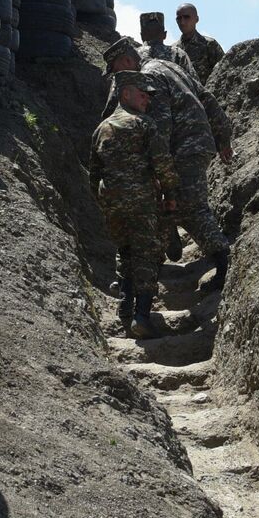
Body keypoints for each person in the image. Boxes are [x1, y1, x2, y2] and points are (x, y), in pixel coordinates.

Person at [101, 38, 234, 280]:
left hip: (185, 147)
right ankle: (168, 252)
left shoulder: (148, 77)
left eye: (116, 70)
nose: (116, 78)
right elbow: (207, 98)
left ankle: (225, 265)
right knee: (180, 204)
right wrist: (222, 136)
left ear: (127, 61)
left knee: (191, 207)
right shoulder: (168, 65)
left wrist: (154, 164)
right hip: (199, 142)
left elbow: (160, 127)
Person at [90, 69, 177, 338]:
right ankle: (141, 316)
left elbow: (93, 173)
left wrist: (105, 201)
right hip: (143, 202)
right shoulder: (144, 124)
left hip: (112, 204)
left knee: (126, 250)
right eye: (143, 95)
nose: (147, 101)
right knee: (147, 254)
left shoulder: (100, 129)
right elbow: (162, 162)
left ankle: (125, 310)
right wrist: (171, 194)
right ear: (125, 93)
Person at [175, 3, 226, 83]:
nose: (182, 22)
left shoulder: (209, 45)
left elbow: (224, 72)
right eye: (179, 18)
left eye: (186, 17)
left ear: (196, 19)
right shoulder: (174, 50)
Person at [138, 11, 197, 77]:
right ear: (165, 35)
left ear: (142, 36)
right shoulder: (178, 53)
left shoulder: (135, 55)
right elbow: (194, 82)